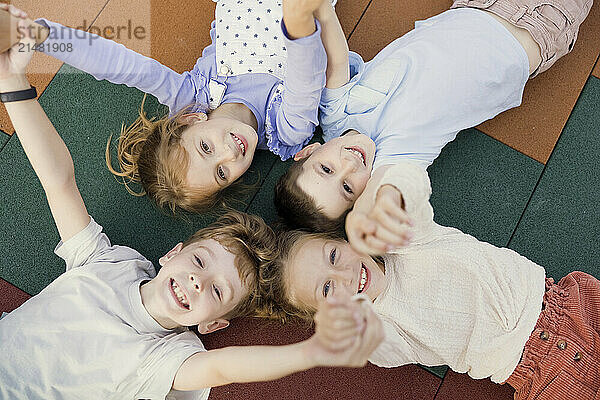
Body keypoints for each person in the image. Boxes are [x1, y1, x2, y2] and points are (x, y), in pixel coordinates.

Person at [0, 8, 384, 398]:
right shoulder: (139, 317)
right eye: (202, 267)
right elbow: (221, 366)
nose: (199, 282)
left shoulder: (141, 323)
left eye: (216, 291)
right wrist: (36, 44)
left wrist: (12, 86)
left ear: (212, 325)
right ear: (173, 252)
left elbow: (59, 183)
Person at [262, 160, 600, 399]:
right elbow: (384, 350)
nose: (344, 275)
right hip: (540, 374)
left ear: (344, 238)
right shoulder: (383, 329)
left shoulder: (405, 241)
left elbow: (411, 178)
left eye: (334, 257)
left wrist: (386, 197)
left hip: (569, 304)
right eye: (327, 288)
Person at [274, 0, 593, 233]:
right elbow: (385, 193)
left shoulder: (335, 116)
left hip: (474, 8)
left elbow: (337, 62)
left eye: (326, 168)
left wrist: (324, 14)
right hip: (537, 25)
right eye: (347, 187)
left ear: (310, 151)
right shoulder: (396, 156)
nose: (348, 166)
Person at [9, 0, 340, 213]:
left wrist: (44, 36)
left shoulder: (192, 95)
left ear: (191, 121)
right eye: (222, 173)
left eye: (206, 147)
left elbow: (122, 66)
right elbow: (306, 80)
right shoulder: (286, 129)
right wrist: (298, 20)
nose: (228, 154)